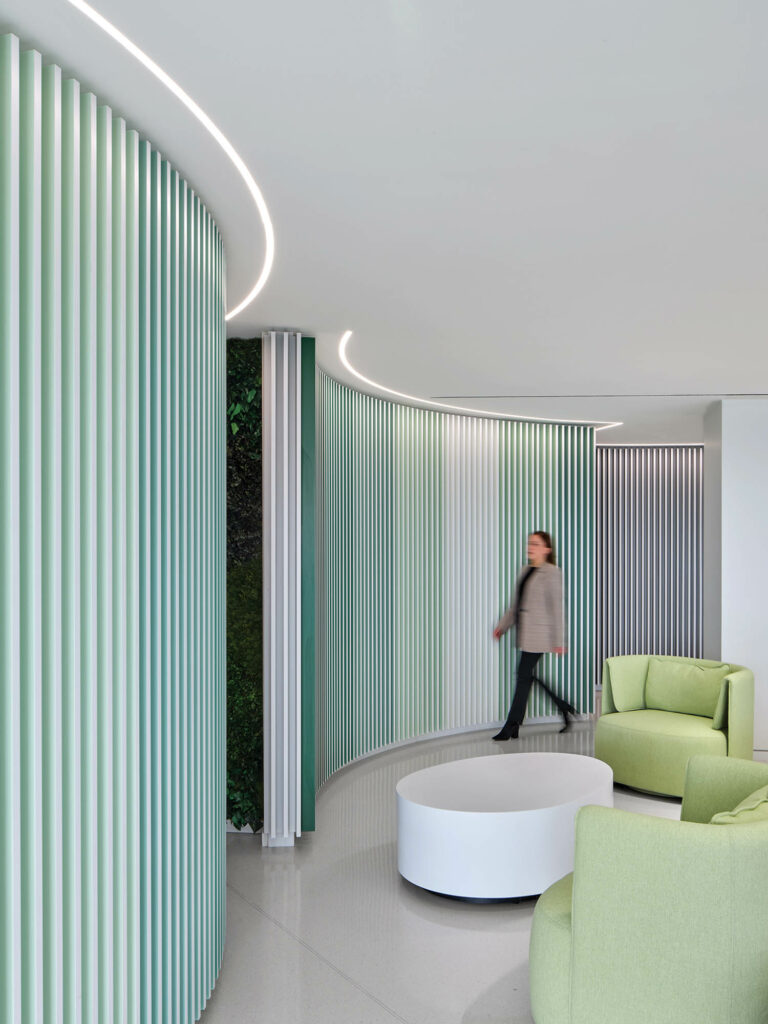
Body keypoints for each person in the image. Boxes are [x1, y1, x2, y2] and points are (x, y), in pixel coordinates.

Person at [492, 530, 575, 740]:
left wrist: (559, 641)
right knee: (526, 677)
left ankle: (511, 726)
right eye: (530, 543)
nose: (531, 547)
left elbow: (557, 608)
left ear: (546, 549)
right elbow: (516, 605)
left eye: (536, 544)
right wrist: (502, 626)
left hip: (541, 635)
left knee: (523, 677)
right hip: (525, 633)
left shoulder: (552, 572)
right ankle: (563, 708)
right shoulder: (524, 570)